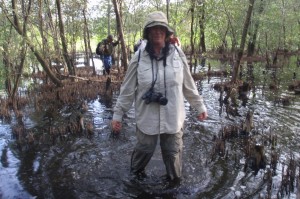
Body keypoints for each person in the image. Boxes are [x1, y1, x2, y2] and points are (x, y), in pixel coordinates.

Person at [111, 11, 208, 186]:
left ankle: (174, 185)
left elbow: (188, 83)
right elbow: (127, 90)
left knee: (173, 155)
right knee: (143, 151)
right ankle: (135, 184)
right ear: (147, 33)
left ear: (166, 32)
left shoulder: (178, 54)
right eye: (153, 28)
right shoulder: (139, 57)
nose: (157, 31)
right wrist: (118, 115)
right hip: (147, 118)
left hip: (173, 118)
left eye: (161, 28)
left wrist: (199, 106)